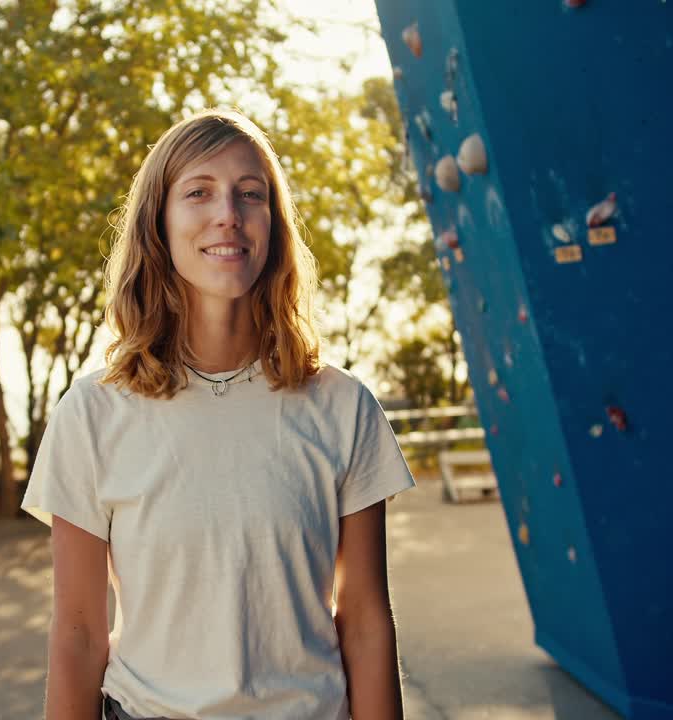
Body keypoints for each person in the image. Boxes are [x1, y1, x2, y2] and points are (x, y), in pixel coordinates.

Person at [21, 108, 416, 720]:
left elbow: (363, 618)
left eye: (249, 194)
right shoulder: (92, 415)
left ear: (273, 227)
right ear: (160, 222)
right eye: (199, 191)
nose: (227, 213)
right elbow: (77, 633)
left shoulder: (342, 407)